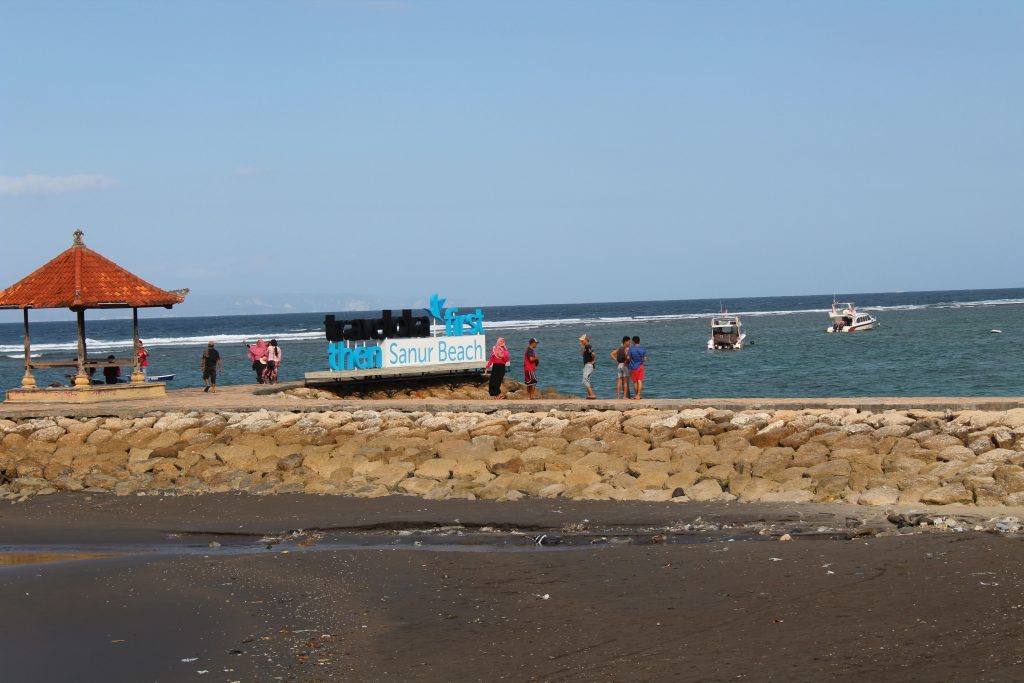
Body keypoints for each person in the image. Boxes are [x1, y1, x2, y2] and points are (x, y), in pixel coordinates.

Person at [627, 335, 647, 400]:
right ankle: (639, 395)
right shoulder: (643, 348)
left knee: (635, 382)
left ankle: (637, 395)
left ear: (633, 341)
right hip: (641, 366)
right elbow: (645, 359)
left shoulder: (631, 348)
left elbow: (628, 358)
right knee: (640, 381)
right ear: (639, 341)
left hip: (633, 367)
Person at [579, 334, 596, 399]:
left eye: (582, 340)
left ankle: (592, 395)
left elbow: (593, 354)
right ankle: (590, 395)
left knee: (585, 380)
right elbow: (589, 353)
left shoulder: (587, 346)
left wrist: (593, 361)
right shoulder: (586, 347)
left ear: (585, 340)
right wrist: (583, 352)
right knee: (587, 380)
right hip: (588, 365)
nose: (581, 342)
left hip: (588, 365)